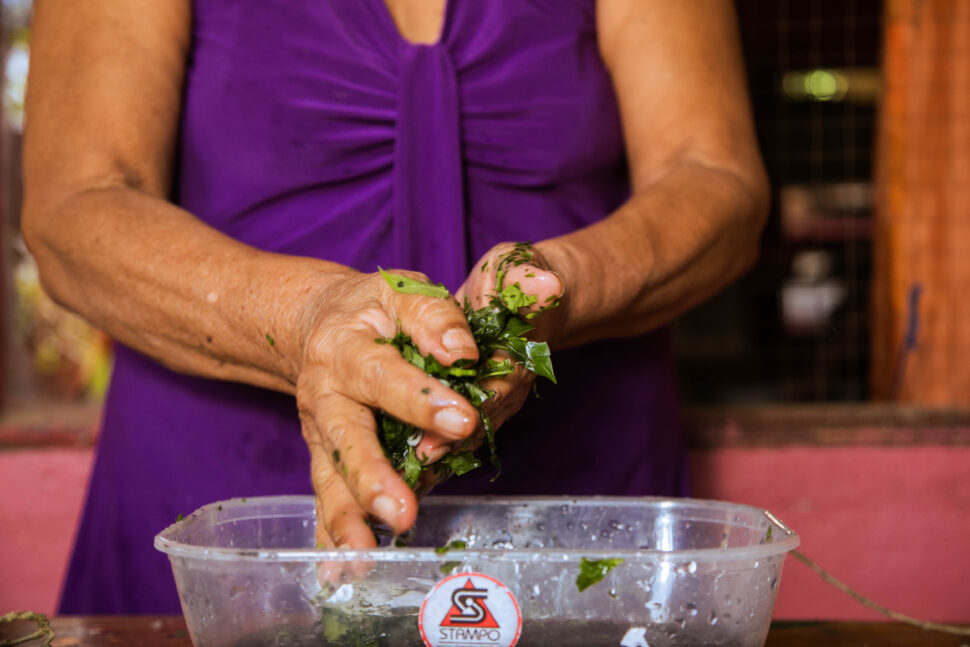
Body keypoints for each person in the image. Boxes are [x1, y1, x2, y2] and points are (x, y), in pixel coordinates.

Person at [23, 0, 768, 614]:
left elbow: (713, 176)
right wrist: (307, 317)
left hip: (583, 506)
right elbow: (75, 208)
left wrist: (561, 285)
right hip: (223, 512)